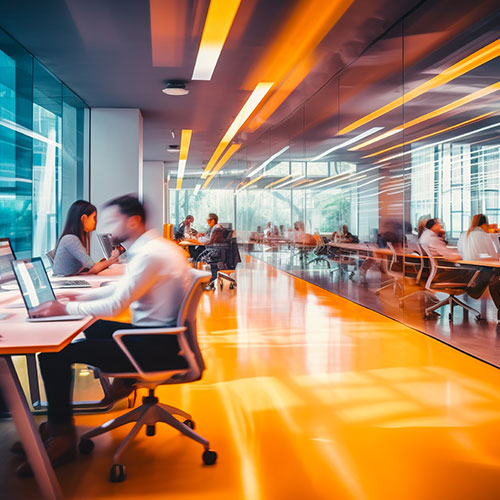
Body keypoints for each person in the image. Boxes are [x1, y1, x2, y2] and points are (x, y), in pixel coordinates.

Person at [13, 195, 191, 476]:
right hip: (156, 337)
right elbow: (119, 292)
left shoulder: (150, 255)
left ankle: (62, 439)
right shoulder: (155, 249)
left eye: (112, 220)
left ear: (133, 221)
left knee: (54, 354)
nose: (106, 227)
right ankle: (58, 422)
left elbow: (116, 304)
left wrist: (65, 307)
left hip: (150, 347)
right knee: (88, 325)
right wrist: (78, 297)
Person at [420, 217, 500, 318]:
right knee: (492, 275)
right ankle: (476, 292)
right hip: (447, 274)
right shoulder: (432, 239)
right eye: (439, 225)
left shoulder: (426, 237)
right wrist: (460, 256)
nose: (441, 226)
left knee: (488, 274)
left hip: (441, 273)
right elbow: (450, 256)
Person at [52, 200, 119, 276]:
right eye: (94, 218)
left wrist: (106, 261)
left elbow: (90, 267)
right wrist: (112, 260)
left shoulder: (72, 238)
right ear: (84, 218)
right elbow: (93, 268)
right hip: (64, 283)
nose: (96, 221)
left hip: (69, 279)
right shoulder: (70, 239)